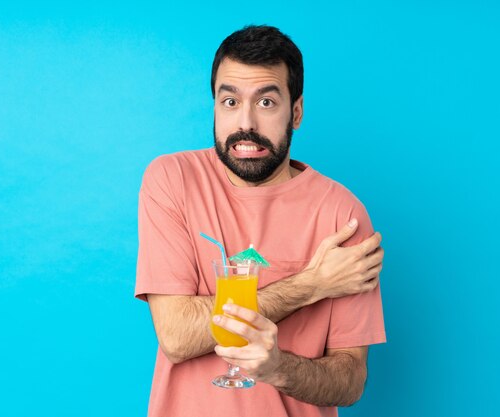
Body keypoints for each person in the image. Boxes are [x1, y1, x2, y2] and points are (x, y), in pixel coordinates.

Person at [135, 25, 386, 417]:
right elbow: (177, 336)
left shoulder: (343, 214)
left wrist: (279, 368)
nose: (246, 124)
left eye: (266, 103)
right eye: (230, 102)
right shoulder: (172, 180)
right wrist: (311, 284)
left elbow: (351, 380)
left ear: (296, 112)